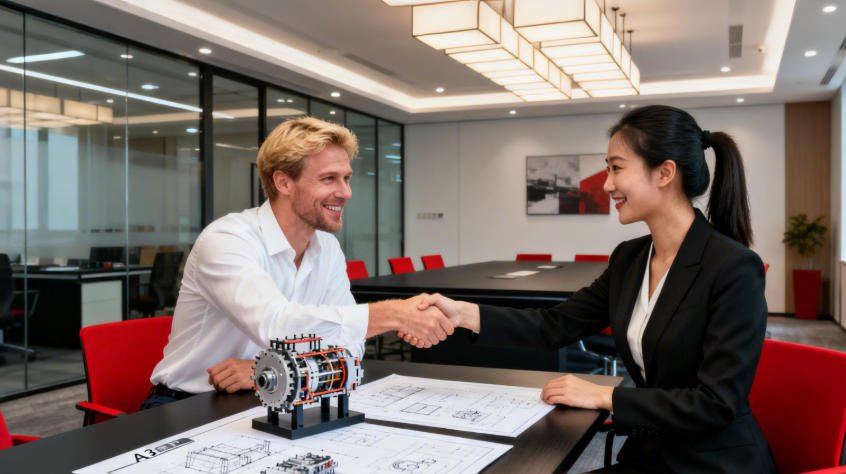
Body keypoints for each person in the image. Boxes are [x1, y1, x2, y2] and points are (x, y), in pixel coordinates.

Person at [411, 105, 776, 472]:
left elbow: (716, 404)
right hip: (651, 455)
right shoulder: (629, 259)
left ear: (665, 172)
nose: (606, 184)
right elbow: (554, 324)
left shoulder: (733, 268)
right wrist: (464, 314)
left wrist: (605, 396)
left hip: (712, 463)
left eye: (617, 168)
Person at [142, 117, 452, 408]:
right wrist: (394, 313)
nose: (345, 192)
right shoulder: (227, 239)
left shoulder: (327, 248)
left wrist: (269, 370)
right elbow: (277, 324)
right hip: (188, 403)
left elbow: (350, 349)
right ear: (283, 182)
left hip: (277, 392)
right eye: (329, 178)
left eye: (346, 178)